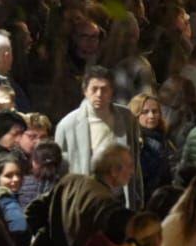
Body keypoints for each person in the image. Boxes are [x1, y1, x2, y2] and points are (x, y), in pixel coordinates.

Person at [53, 67, 145, 206]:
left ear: (112, 91)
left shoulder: (126, 118)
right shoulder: (68, 125)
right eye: (94, 89)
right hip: (86, 198)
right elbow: (60, 171)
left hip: (119, 195)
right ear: (85, 91)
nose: (99, 94)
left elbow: (135, 160)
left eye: (104, 89)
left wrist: (137, 197)